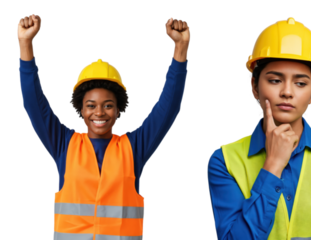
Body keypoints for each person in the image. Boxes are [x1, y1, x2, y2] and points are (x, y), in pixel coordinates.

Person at [16, 13, 191, 239]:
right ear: (81, 110)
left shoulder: (134, 147)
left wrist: (181, 47)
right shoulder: (64, 145)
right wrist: (25, 43)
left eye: (108, 105)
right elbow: (33, 102)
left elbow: (168, 107)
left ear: (119, 110)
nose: (99, 112)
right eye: (91, 105)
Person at [206, 16, 311, 239]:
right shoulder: (224, 161)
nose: (287, 92)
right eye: (275, 80)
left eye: (300, 83)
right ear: (254, 87)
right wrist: (272, 166)